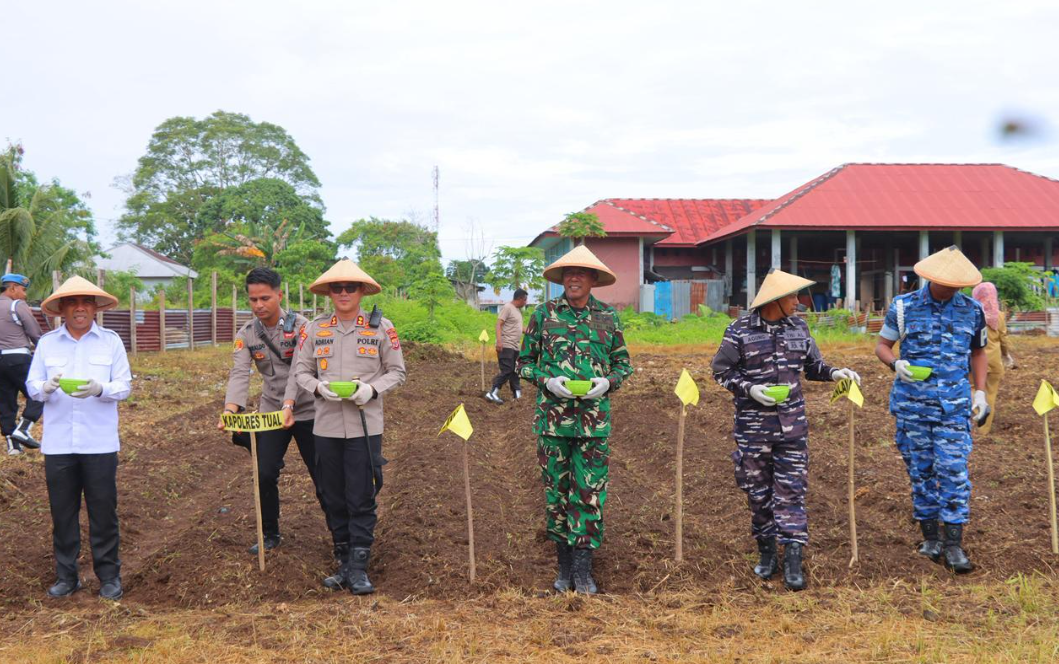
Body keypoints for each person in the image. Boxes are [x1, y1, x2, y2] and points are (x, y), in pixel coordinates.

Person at [711, 268, 859, 591]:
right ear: (775, 300)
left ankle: (794, 558)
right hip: (754, 431)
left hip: (793, 428)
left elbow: (813, 367)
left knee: (792, 491)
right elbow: (720, 372)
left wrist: (835, 373)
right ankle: (767, 553)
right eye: (792, 296)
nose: (798, 302)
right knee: (758, 492)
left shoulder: (799, 328)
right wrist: (749, 389)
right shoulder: (739, 331)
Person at [517, 245, 633, 595]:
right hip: (553, 423)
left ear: (593, 279)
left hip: (593, 425)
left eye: (581, 273)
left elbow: (623, 364)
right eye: (568, 273)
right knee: (557, 494)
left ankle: (584, 572)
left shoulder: (608, 317)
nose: (574, 278)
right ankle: (564, 569)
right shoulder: (544, 315)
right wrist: (547, 381)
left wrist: (606, 383)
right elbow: (523, 363)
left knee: (589, 493)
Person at [293, 259, 406, 595]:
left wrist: (372, 389)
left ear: (361, 292)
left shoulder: (381, 328)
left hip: (364, 426)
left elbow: (397, 371)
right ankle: (342, 560)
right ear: (329, 293)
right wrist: (317, 387)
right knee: (332, 495)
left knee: (361, 496)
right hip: (325, 426)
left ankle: (358, 567)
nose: (343, 293)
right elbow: (300, 372)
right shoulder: (314, 329)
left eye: (350, 287)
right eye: (337, 288)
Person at [874, 246, 988, 574]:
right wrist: (897, 364)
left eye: (959, 284)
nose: (954, 289)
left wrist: (980, 392)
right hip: (912, 406)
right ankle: (930, 538)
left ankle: (953, 543)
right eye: (948, 283)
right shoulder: (903, 307)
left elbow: (978, 352)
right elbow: (882, 346)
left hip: (954, 407)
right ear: (932, 278)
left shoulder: (972, 310)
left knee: (953, 471)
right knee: (921, 472)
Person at [26, 276, 131, 600]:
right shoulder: (47, 344)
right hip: (58, 444)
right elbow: (32, 385)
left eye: (86, 302)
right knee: (63, 513)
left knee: (103, 512)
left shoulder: (110, 341)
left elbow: (124, 386)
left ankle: (109, 577)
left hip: (99, 442)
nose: (80, 308)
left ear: (95, 307)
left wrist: (101, 389)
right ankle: (66, 576)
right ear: (62, 309)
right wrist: (44, 387)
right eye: (72, 302)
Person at [218, 267, 330, 554]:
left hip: (308, 411)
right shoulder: (247, 333)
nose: (259, 305)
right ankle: (270, 533)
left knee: (324, 477)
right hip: (271, 412)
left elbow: (298, 371)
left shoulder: (303, 327)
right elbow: (240, 373)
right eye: (253, 299)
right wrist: (231, 409)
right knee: (264, 472)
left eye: (265, 298)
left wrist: (289, 405)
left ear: (279, 295)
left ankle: (339, 536)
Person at [0, 273, 44, 455]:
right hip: (18, 357)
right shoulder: (17, 305)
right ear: (12, 289)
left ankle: (13, 446)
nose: (25, 295)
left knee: (6, 401)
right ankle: (24, 428)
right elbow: (34, 332)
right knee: (39, 393)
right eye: (23, 290)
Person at [971, 282, 1015, 436]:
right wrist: (1006, 355)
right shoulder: (1000, 316)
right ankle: (983, 431)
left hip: (974, 360)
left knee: (971, 389)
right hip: (994, 363)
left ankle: (970, 425)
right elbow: (1003, 339)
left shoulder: (972, 313)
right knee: (990, 395)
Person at [484, 288, 528, 404]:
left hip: (514, 346)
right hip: (506, 345)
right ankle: (492, 392)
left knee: (515, 371)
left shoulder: (517, 311)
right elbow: (499, 324)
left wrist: (532, 332)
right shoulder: (507, 307)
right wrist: (499, 341)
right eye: (524, 300)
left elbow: (519, 328)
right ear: (519, 299)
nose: (525, 302)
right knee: (507, 370)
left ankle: (517, 395)